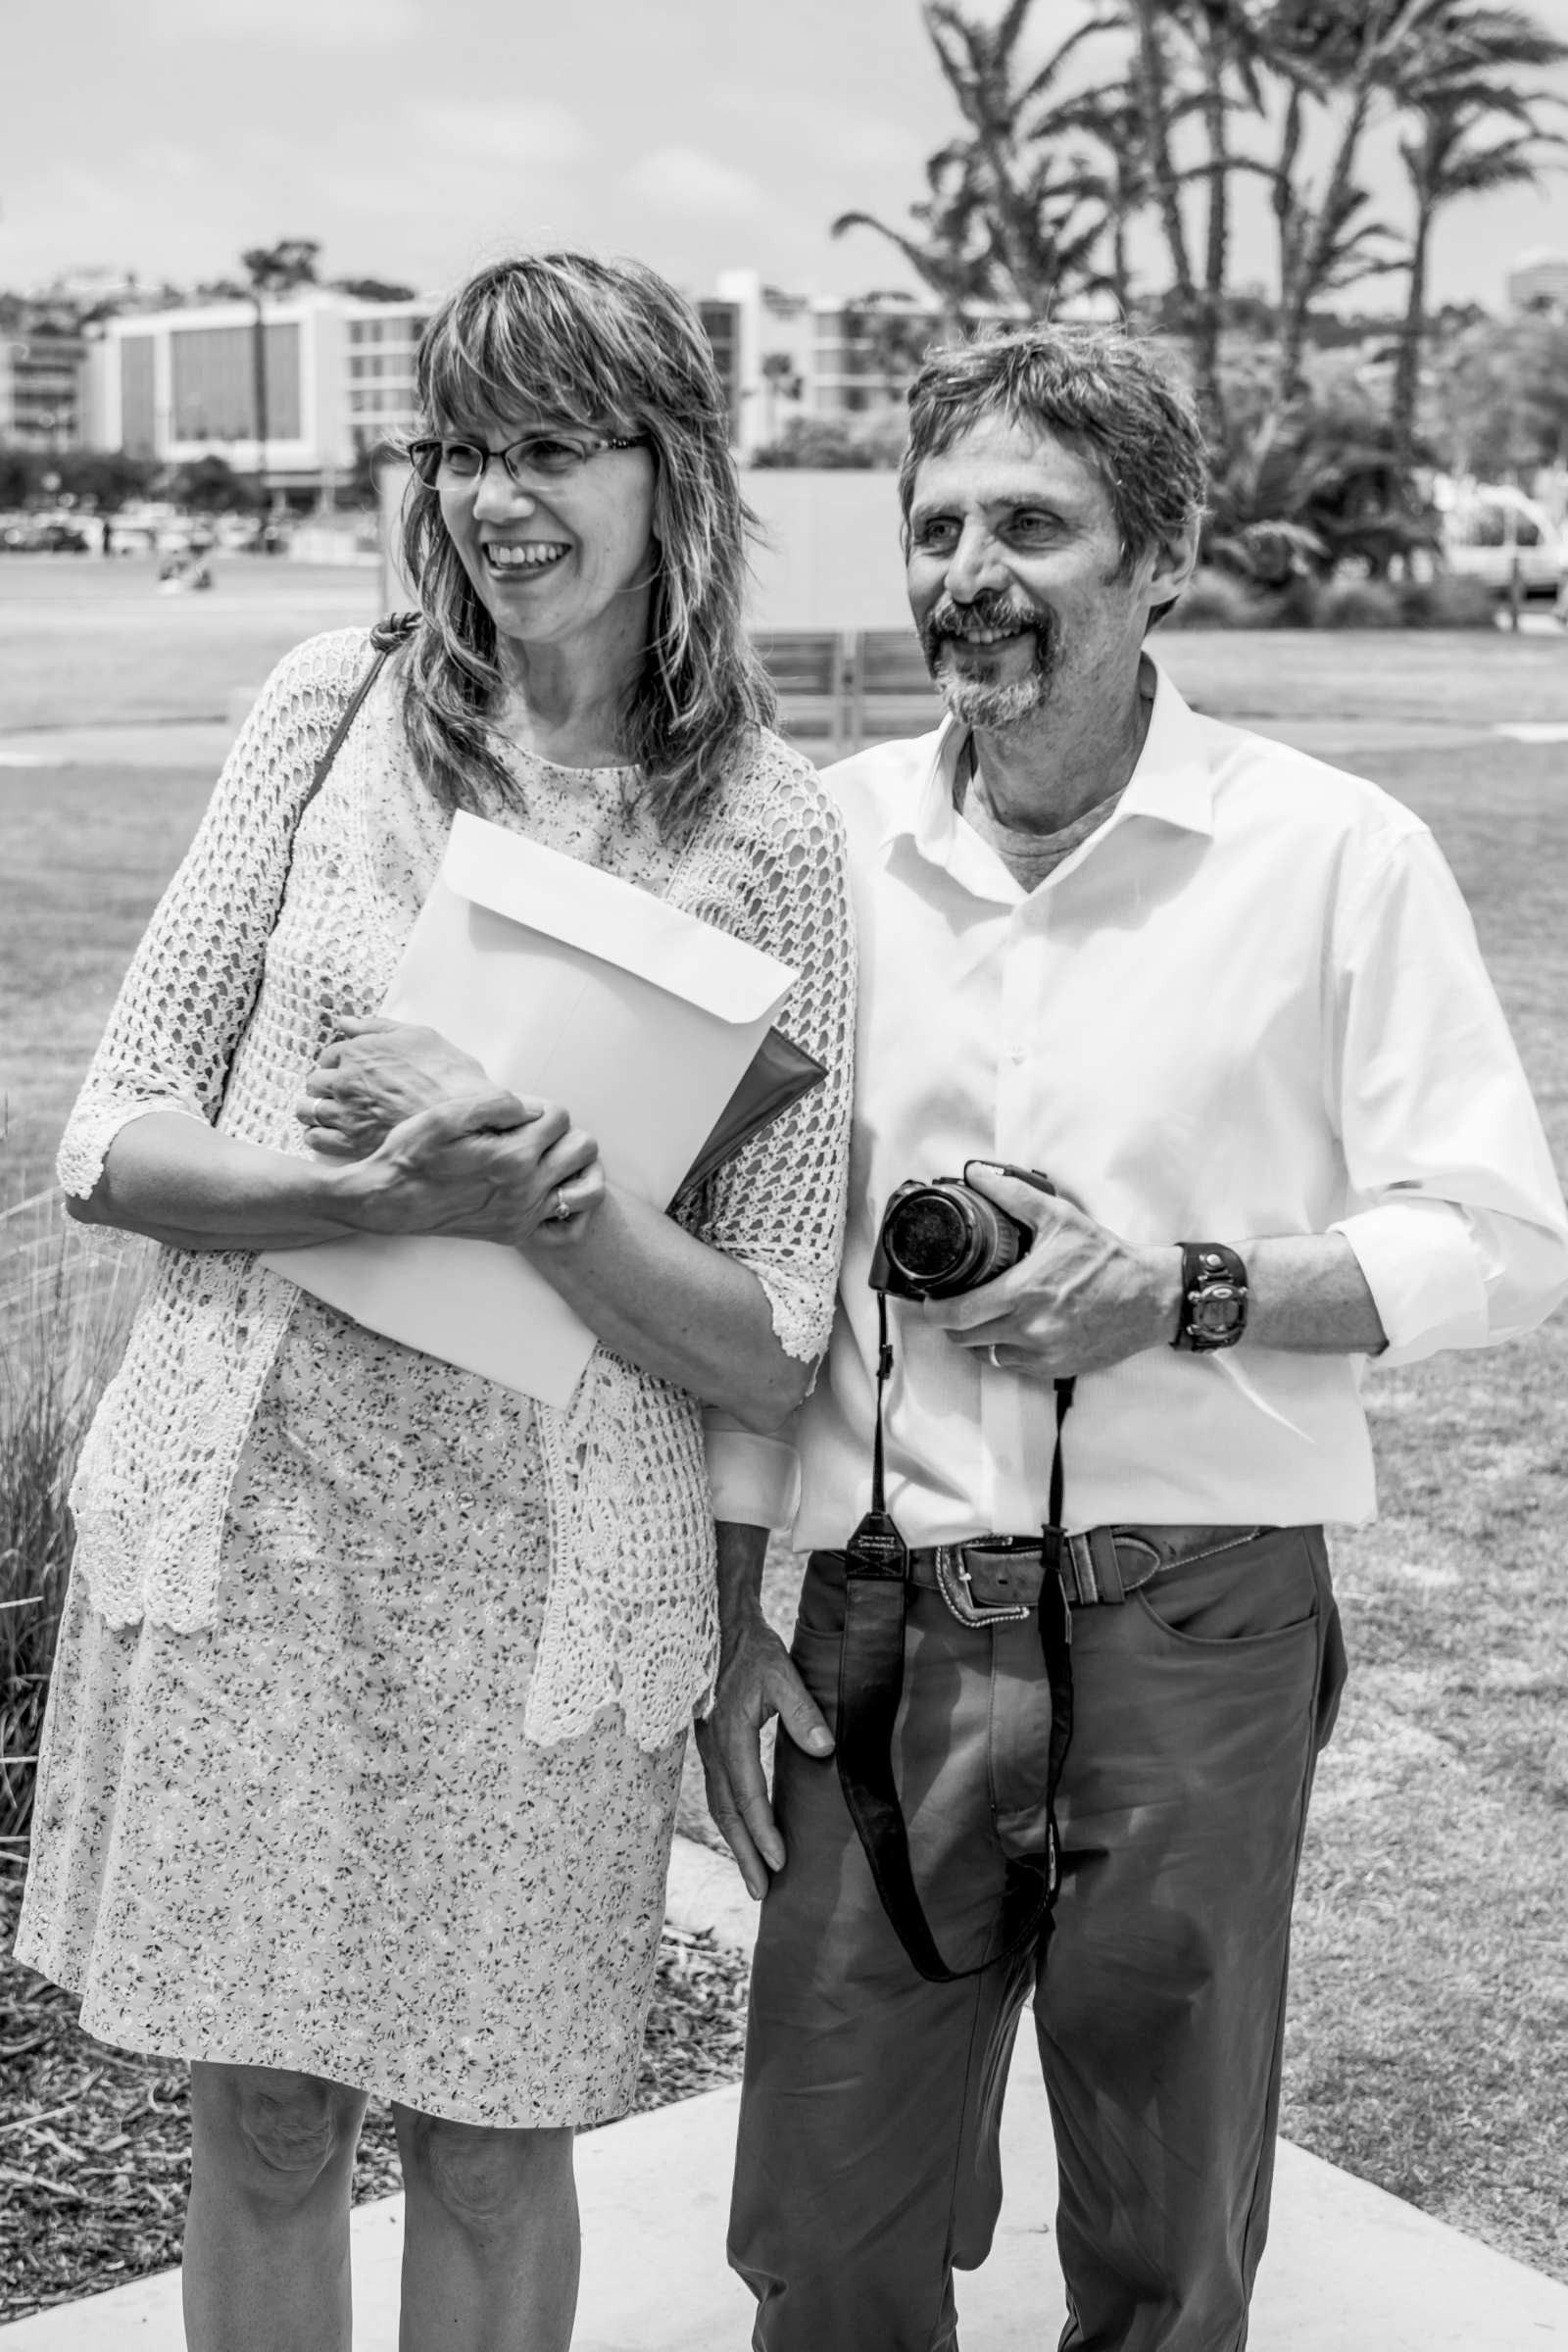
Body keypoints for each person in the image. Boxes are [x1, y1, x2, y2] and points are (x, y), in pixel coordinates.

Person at [698, 323, 1568, 2352]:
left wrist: (1172, 1290)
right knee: (821, 2234)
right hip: (870, 1635)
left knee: (1165, 2245)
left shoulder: (1328, 853)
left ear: (1159, 552)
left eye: (1029, 524)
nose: (965, 573)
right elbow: (745, 1260)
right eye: (937, 529)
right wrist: (729, 1608)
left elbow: (1499, 1238)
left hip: (1193, 1626)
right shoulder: (814, 853)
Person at [17, 253, 854, 2352]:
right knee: (271, 2119)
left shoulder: (772, 832)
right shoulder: (328, 706)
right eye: (464, 446)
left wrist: (544, 1197)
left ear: (672, 475)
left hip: (548, 1588)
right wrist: (349, 1188)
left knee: (494, 2135)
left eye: (550, 445)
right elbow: (108, 1136)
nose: (495, 495)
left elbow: (767, 1329)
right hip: (252, 1539)